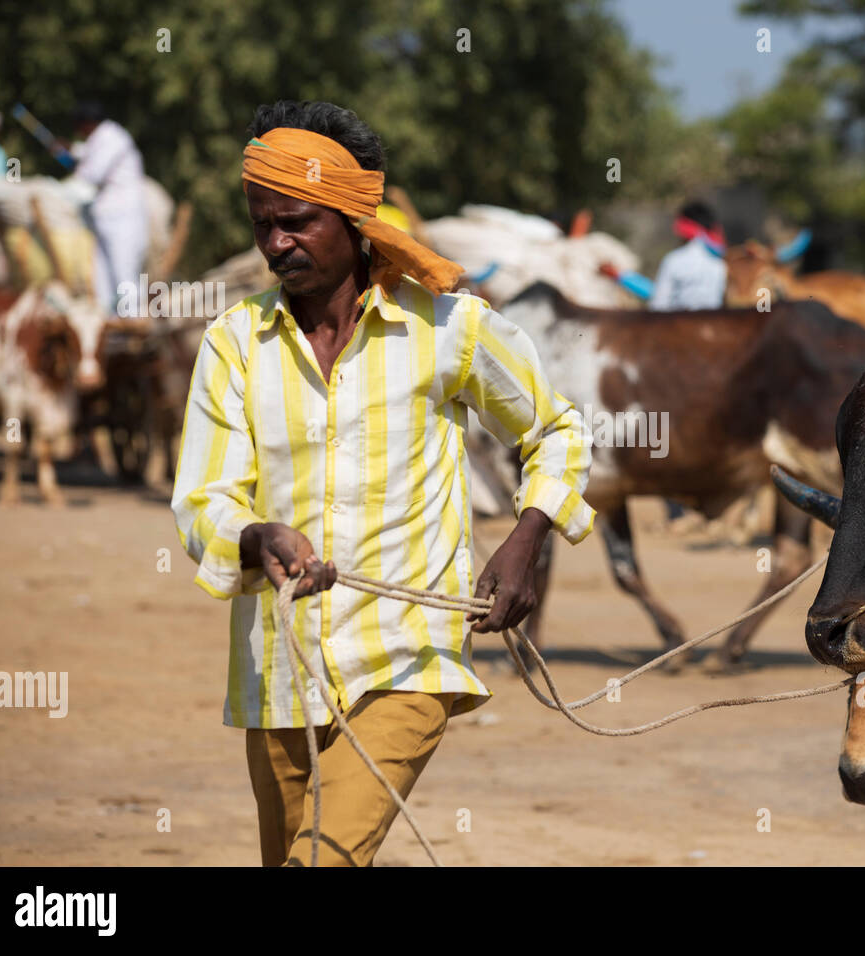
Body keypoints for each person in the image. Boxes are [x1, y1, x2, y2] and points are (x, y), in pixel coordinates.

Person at [170, 100, 594, 867]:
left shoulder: (448, 327)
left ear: (351, 215)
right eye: (262, 222)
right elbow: (202, 500)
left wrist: (526, 538)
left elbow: (556, 430)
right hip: (278, 671)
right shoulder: (233, 344)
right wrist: (256, 536)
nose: (276, 242)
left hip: (407, 663)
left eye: (297, 221)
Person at [69, 102, 148, 316]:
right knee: (103, 281)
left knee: (125, 277)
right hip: (105, 220)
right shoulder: (101, 137)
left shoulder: (113, 137)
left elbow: (92, 173)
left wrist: (74, 165)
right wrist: (70, 150)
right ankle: (110, 326)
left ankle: (134, 325)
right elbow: (86, 152)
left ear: (87, 124)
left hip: (123, 219)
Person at [647, 200, 727, 311]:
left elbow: (659, 304)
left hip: (678, 324)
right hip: (714, 323)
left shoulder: (673, 260)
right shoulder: (721, 262)